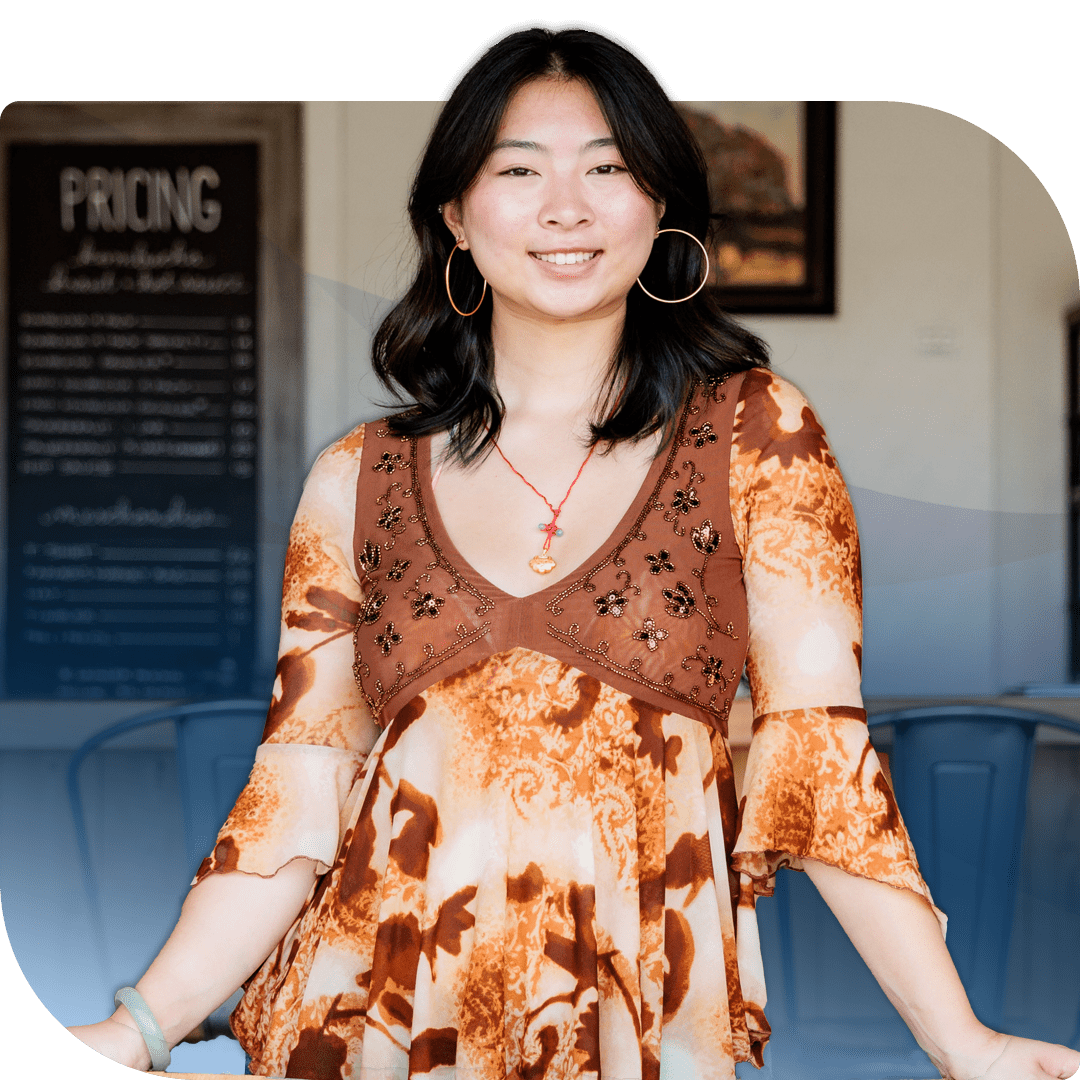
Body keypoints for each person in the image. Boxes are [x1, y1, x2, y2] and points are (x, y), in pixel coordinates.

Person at [70, 20, 1080, 1080]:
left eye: (609, 167)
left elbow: (820, 758)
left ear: (659, 210)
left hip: (640, 1026)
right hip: (367, 1025)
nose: (567, 207)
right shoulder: (355, 477)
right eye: (518, 168)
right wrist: (140, 1028)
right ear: (456, 214)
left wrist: (960, 1041)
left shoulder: (757, 437)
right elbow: (300, 784)